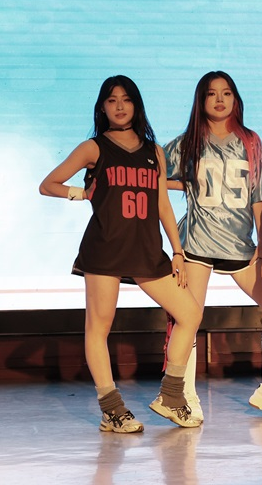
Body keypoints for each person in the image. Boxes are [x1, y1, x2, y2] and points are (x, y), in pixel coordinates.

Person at [39, 75, 203, 432]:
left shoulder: (153, 152)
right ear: (102, 107)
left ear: (136, 105)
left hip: (146, 249)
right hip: (105, 249)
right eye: (111, 100)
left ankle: (171, 395)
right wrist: (81, 194)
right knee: (99, 326)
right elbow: (48, 184)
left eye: (126, 99)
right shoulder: (93, 148)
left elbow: (162, 204)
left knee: (189, 312)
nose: (119, 106)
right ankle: (111, 409)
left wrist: (177, 251)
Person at [163, 71, 262, 420]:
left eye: (226, 93)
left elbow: (259, 197)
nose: (219, 100)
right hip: (197, 243)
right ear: (200, 100)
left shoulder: (250, 141)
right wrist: (185, 184)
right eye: (211, 93)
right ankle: (185, 395)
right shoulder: (188, 141)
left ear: (236, 98)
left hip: (240, 245)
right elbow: (153, 173)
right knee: (188, 318)